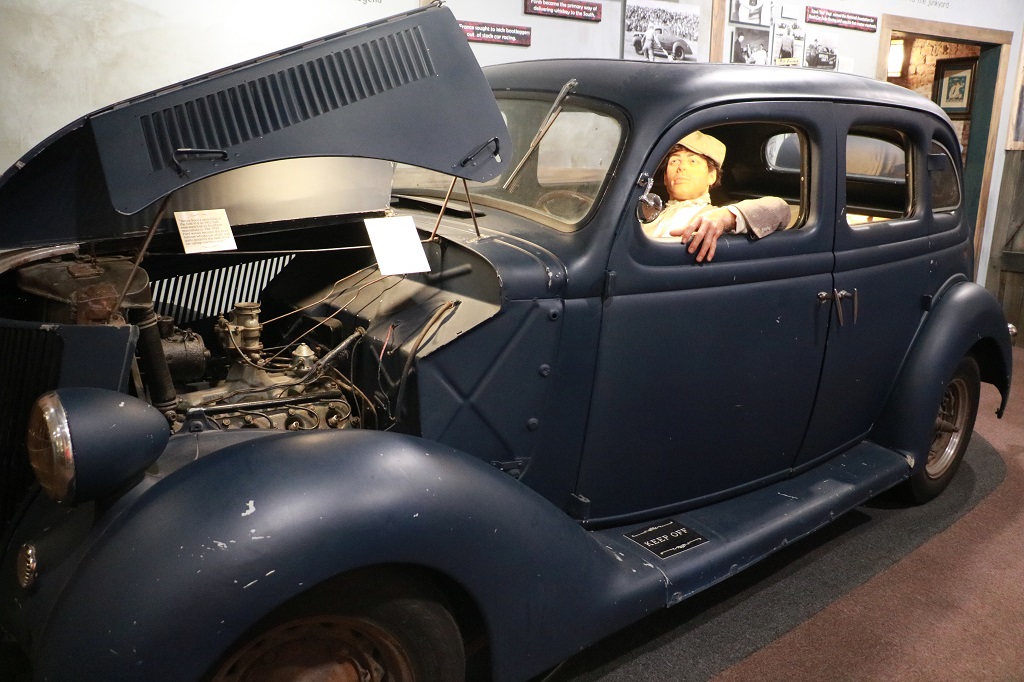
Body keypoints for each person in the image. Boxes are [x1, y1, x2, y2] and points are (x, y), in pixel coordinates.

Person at [642, 131, 791, 262]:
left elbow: (780, 209)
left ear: (711, 176)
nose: (682, 167)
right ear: (665, 178)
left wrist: (726, 217)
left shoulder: (715, 217)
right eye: (674, 161)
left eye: (693, 161)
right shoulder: (645, 216)